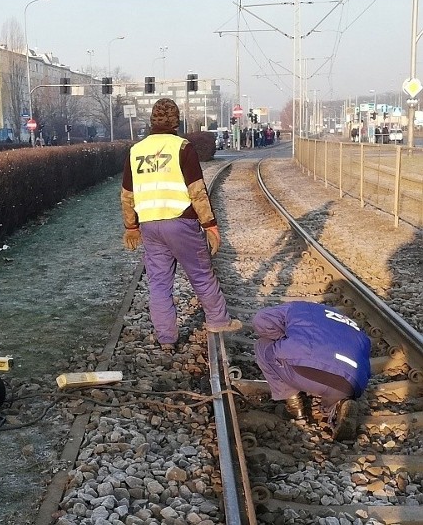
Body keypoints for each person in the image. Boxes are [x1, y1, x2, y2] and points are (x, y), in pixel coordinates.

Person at [120, 98, 241, 351]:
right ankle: (218, 320)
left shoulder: (136, 150)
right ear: (176, 121)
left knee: (159, 283)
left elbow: (127, 194)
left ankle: (166, 339)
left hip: (150, 226)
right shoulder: (182, 147)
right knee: (201, 274)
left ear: (152, 120)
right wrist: (210, 224)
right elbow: (197, 190)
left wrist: (131, 226)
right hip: (181, 223)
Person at [251, 301, 371, 442]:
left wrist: (280, 339)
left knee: (262, 346)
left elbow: (260, 319)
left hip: (307, 371)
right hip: (351, 381)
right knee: (336, 382)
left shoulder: (292, 308)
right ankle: (339, 405)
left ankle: (294, 407)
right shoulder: (345, 320)